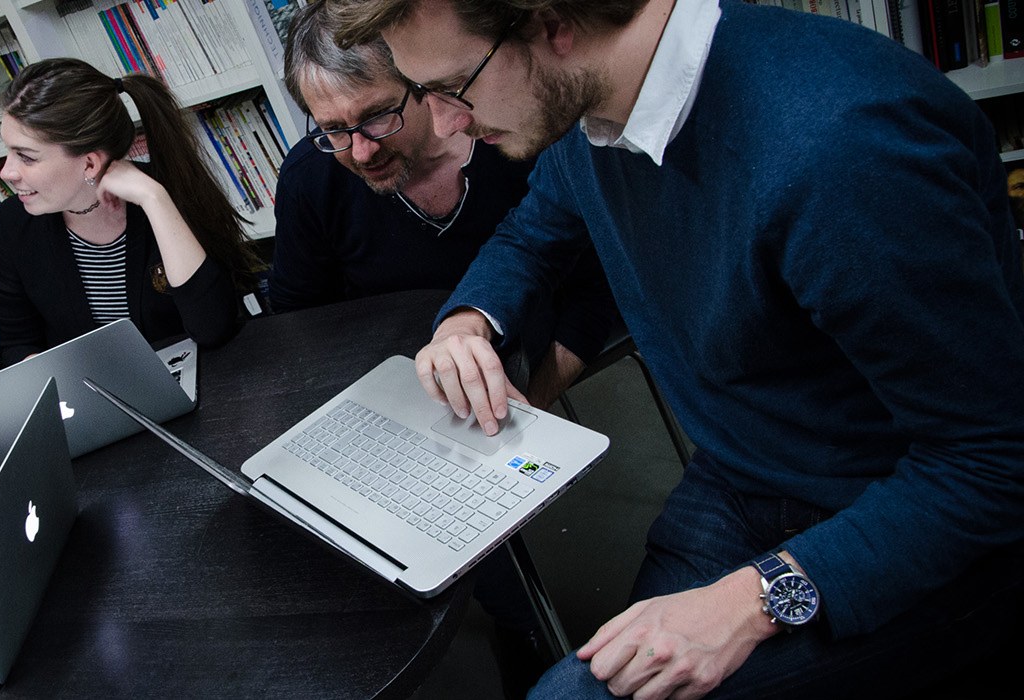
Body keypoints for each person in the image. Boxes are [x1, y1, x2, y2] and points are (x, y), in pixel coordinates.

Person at [329, 0, 1024, 698]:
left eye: (453, 86)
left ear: (552, 25)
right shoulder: (594, 100)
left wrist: (753, 600)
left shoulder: (844, 151)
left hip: (904, 523)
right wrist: (466, 324)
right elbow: (532, 233)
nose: (446, 122)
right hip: (742, 471)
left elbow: (993, 465)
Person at [275, 0, 616, 409]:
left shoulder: (522, 135)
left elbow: (592, 285)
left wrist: (527, 408)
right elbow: (301, 325)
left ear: (421, 79)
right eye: (334, 129)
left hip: (528, 369)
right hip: (395, 396)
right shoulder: (311, 178)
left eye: (378, 116)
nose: (361, 152)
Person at [0, 57, 261, 366]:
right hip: (93, 396)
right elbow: (18, 342)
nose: (7, 172)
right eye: (8, 151)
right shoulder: (11, 225)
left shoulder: (168, 193)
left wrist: (155, 200)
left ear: (89, 163)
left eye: (26, 157)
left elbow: (214, 329)